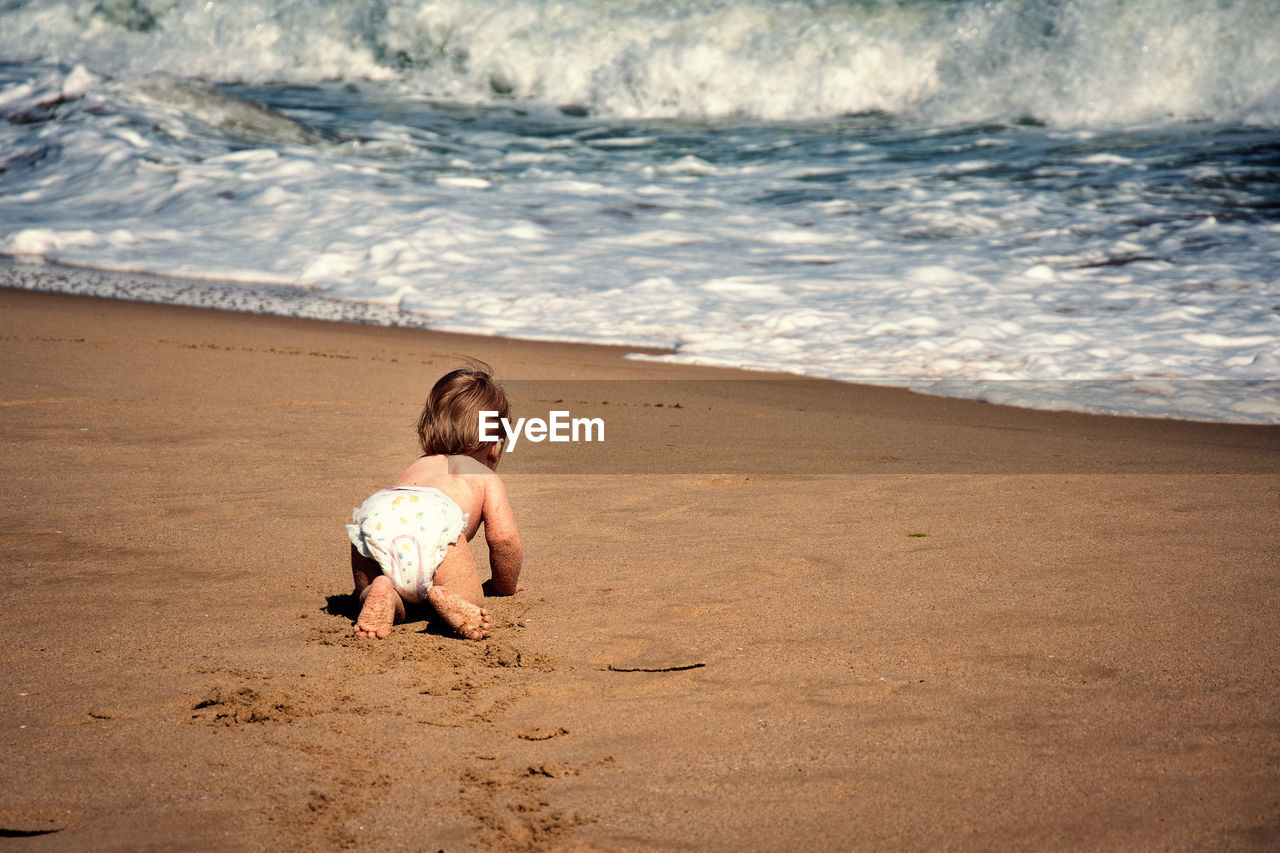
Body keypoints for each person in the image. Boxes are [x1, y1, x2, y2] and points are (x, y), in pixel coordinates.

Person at [346, 363, 523, 640]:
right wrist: (504, 585)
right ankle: (446, 595)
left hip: (379, 513)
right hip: (434, 519)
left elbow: (407, 507)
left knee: (381, 589)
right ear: (496, 446)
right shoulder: (483, 476)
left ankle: (381, 593)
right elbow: (503, 540)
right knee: (465, 588)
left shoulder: (419, 465)